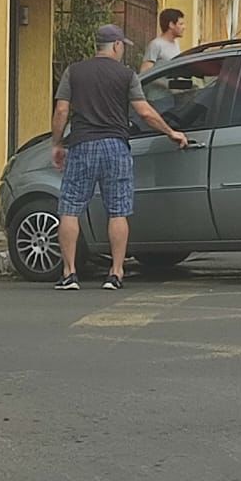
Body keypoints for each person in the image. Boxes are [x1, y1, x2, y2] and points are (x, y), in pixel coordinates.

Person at [51, 25, 188, 292]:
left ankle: (69, 273)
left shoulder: (74, 72)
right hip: (116, 146)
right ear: (115, 45)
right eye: (122, 45)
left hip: (82, 145)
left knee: (70, 208)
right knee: (118, 211)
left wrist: (57, 143)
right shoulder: (127, 75)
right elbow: (144, 112)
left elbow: (61, 110)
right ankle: (115, 273)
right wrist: (170, 132)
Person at [140, 8, 186, 74]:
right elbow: (145, 72)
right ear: (171, 25)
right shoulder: (156, 45)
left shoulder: (176, 43)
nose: (184, 27)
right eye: (181, 24)